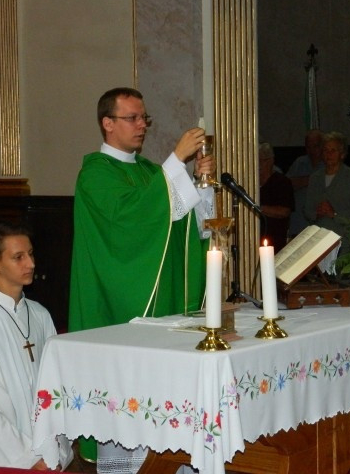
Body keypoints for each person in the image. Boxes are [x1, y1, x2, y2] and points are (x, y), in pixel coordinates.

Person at [68, 87, 214, 472]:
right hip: (117, 305)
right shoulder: (95, 174)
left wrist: (201, 184)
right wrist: (177, 159)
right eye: (132, 118)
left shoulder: (150, 171)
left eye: (144, 118)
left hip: (162, 304)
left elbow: (184, 226)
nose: (141, 125)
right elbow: (131, 223)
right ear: (107, 123)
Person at [0, 222, 73, 470]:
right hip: (1, 456)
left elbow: (57, 386)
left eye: (30, 254)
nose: (30, 264)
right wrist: (27, 459)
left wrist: (57, 451)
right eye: (18, 257)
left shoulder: (40, 315)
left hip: (48, 451)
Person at [304, 131, 350, 252]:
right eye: (325, 150)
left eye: (333, 150)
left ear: (342, 154)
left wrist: (334, 214)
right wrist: (317, 213)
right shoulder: (315, 178)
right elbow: (307, 210)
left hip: (344, 242)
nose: (329, 154)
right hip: (319, 242)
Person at [287, 129, 324, 237]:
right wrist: (309, 180)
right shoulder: (300, 163)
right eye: (308, 147)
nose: (312, 150)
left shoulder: (329, 164)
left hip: (321, 226)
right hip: (298, 224)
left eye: (315, 146)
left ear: (323, 146)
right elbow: (286, 185)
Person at [259, 142, 294, 252]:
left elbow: (284, 211)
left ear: (271, 161)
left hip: (275, 240)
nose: (258, 164)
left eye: (261, 160)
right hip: (252, 239)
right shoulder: (250, 182)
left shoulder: (282, 182)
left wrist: (257, 207)